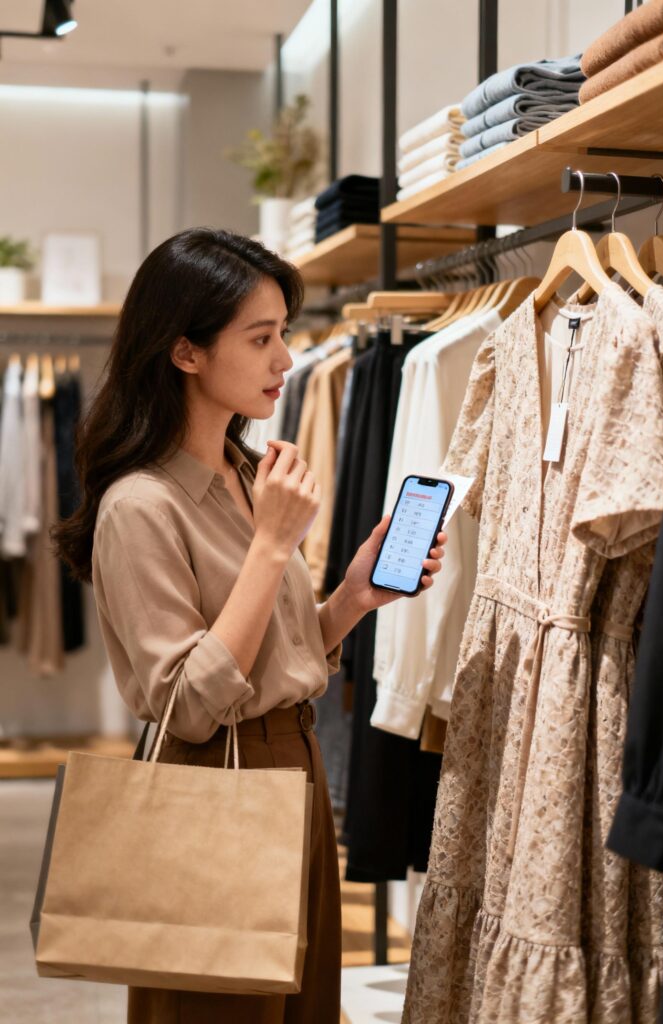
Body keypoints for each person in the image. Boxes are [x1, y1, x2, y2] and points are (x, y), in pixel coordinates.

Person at [54, 227, 447, 1024]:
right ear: (186, 352)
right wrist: (272, 545)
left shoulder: (244, 473)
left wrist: (352, 597)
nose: (284, 361)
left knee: (300, 1009)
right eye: (260, 339)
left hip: (291, 768)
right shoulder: (141, 505)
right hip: (212, 781)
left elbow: (274, 653)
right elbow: (190, 703)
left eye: (284, 336)